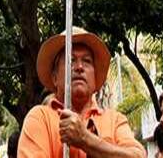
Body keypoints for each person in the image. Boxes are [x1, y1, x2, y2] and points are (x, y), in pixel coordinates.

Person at [17, 26, 145, 157]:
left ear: (95, 78)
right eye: (70, 60)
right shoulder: (40, 118)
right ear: (55, 77)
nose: (79, 67)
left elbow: (138, 156)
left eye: (87, 61)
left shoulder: (115, 120)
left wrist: (85, 139)